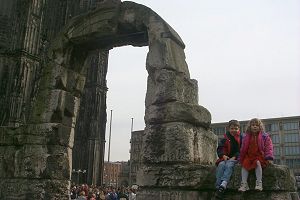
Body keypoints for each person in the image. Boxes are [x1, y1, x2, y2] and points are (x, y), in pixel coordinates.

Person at [238, 118, 274, 192]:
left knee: (257, 163)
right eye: (253, 125)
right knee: (244, 164)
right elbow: (242, 148)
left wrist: (269, 157)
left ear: (260, 127)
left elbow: (269, 147)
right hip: (249, 156)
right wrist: (240, 158)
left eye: (256, 125)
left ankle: (259, 183)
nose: (255, 127)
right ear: (250, 127)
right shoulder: (246, 137)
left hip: (259, 155)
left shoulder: (264, 136)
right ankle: (244, 184)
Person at [215, 120, 242, 199]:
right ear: (228, 129)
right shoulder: (225, 138)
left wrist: (235, 156)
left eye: (236, 129)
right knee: (221, 165)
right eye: (232, 128)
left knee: (229, 165)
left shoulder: (241, 138)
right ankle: (218, 187)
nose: (234, 130)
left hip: (236, 158)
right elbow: (220, 148)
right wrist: (223, 155)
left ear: (239, 129)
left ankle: (224, 183)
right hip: (225, 158)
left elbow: (242, 149)